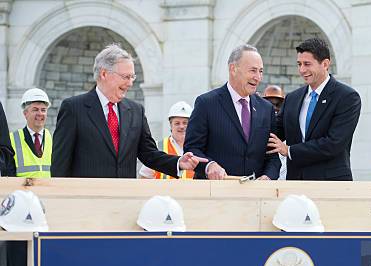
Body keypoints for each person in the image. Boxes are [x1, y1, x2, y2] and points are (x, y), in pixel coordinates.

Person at [51, 43, 204, 178]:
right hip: (86, 202)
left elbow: (149, 153)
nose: (130, 83)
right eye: (126, 77)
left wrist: (178, 162)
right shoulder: (73, 109)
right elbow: (60, 163)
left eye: (132, 77)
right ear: (104, 74)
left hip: (124, 201)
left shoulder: (136, 111)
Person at [267, 38, 361, 181]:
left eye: (307, 64)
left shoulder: (347, 97)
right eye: (299, 64)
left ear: (325, 64)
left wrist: (289, 150)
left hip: (330, 185)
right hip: (295, 182)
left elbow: (333, 143)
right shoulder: (292, 98)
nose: (302, 70)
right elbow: (274, 132)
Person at [184, 44, 280, 180]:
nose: (258, 77)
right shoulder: (206, 103)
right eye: (253, 70)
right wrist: (209, 166)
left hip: (255, 195)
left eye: (261, 71)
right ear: (233, 69)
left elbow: (272, 156)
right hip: (216, 192)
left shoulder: (266, 109)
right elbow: (192, 149)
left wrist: (268, 176)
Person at [0, 88, 53, 266]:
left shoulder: (54, 138)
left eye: (43, 110)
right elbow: (8, 171)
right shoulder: (12, 140)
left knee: (43, 257)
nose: (40, 114)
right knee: (17, 257)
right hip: (20, 205)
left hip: (48, 206)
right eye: (35, 110)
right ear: (25, 113)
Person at [140, 101, 194, 179]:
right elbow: (144, 177)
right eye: (177, 123)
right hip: (163, 191)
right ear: (170, 125)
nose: (182, 126)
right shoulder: (157, 147)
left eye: (185, 123)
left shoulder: (198, 149)